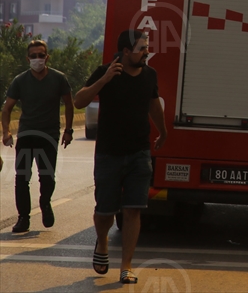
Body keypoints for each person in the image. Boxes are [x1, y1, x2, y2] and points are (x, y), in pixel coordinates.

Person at [74, 30, 166, 285]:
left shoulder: (149, 75)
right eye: (141, 48)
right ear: (126, 52)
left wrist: (163, 131)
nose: (146, 51)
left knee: (133, 210)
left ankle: (126, 266)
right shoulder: (107, 71)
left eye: (147, 47)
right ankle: (102, 243)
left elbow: (153, 104)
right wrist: (103, 80)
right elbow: (79, 101)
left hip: (139, 152)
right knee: (104, 211)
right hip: (109, 154)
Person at [1, 39, 73, 233]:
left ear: (47, 57)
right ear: (28, 59)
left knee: (47, 177)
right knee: (22, 177)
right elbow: (7, 108)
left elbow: (69, 103)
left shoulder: (59, 79)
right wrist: (6, 131)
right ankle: (23, 217)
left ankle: (45, 202)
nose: (37, 59)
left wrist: (68, 130)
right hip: (26, 135)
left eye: (41, 55)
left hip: (48, 136)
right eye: (33, 56)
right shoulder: (20, 81)